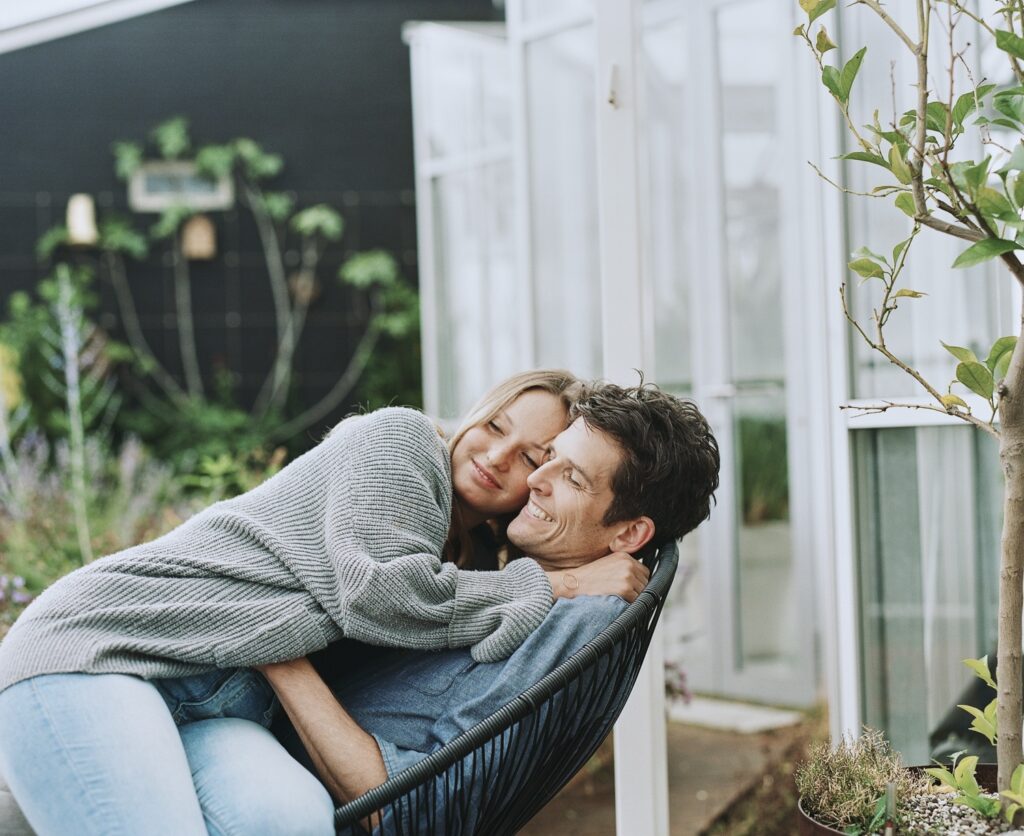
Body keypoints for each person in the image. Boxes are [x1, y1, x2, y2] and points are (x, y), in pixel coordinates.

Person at [0, 370, 649, 836]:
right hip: (107, 652)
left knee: (291, 820)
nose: (497, 456)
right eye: (494, 425)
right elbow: (382, 594)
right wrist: (561, 584)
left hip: (220, 711)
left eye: (532, 457)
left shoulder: (469, 565)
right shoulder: (401, 443)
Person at [181, 380, 721, 833]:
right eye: (548, 458)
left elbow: (413, 805)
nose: (533, 478)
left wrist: (280, 653)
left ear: (629, 533)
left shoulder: (578, 622)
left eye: (567, 476)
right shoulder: (523, 575)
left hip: (279, 760)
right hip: (240, 717)